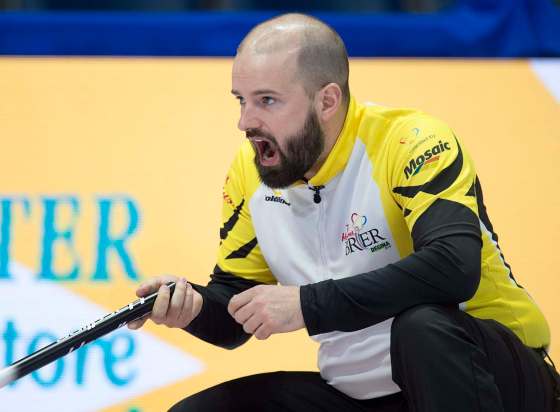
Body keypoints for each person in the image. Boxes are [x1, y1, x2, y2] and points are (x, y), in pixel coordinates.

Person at [128, 13, 559, 412]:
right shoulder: (252, 169)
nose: (245, 121)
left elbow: (452, 268)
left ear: (328, 101)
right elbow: (236, 310)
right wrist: (193, 307)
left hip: (496, 380)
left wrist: (306, 305)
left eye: (267, 101)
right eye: (241, 100)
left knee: (420, 328)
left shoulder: (411, 141)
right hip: (366, 395)